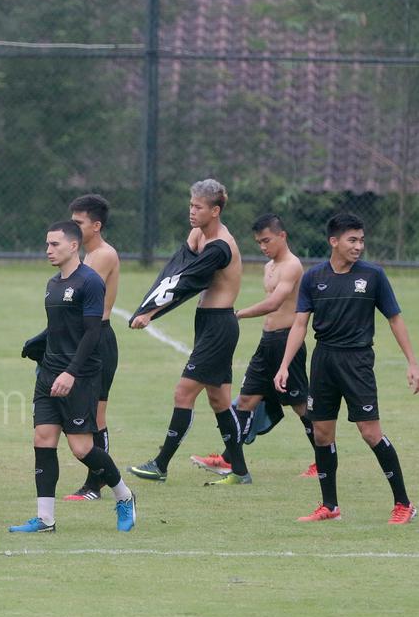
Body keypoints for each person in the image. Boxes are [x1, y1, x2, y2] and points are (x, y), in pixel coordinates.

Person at [274, 213, 418, 524]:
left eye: (362, 240)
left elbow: (394, 319)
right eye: (352, 240)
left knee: (370, 433)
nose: (359, 246)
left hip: (357, 362)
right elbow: (300, 324)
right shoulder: (313, 278)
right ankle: (330, 507)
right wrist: (284, 365)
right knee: (322, 434)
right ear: (334, 242)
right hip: (323, 361)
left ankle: (404, 504)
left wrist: (412, 362)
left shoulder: (374, 276)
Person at [9, 221, 136, 533]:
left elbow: (93, 332)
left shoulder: (90, 282)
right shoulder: (52, 283)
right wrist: (38, 343)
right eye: (47, 244)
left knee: (81, 448)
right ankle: (45, 519)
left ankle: (124, 496)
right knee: (43, 439)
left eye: (55, 244)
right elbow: (59, 327)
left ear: (74, 246)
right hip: (48, 374)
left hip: (79, 376)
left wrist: (71, 372)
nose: (48, 250)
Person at [128, 179, 244, 484]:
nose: (191, 212)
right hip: (208, 323)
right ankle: (240, 471)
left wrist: (150, 312)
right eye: (191, 205)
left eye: (199, 207)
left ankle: (161, 464)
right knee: (219, 401)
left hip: (219, 325)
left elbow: (189, 279)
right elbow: (179, 262)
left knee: (183, 392)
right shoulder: (202, 234)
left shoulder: (220, 246)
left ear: (215, 210)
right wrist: (148, 304)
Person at [192, 214, 318, 482]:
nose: (263, 246)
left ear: (282, 236)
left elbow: (274, 303)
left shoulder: (292, 266)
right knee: (247, 400)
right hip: (267, 342)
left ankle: (323, 457)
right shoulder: (268, 266)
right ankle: (229, 459)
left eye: (267, 240)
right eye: (259, 242)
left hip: (287, 343)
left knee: (299, 405)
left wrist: (237, 314)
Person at [64, 195, 122, 501]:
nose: (72, 228)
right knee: (86, 415)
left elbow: (78, 296)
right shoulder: (88, 255)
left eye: (78, 223)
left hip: (98, 338)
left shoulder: (102, 255)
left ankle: (96, 485)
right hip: (87, 335)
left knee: (96, 417)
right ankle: (96, 482)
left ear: (96, 226)